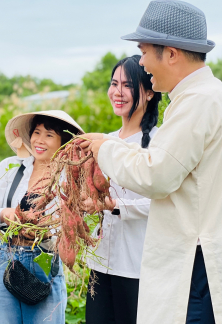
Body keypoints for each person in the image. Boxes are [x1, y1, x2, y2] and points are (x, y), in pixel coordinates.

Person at [81, 1, 222, 322]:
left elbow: (157, 175)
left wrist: (105, 149)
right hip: (193, 260)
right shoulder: (203, 96)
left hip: (194, 264)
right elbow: (165, 162)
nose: (142, 62)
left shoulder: (198, 101)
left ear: (171, 53)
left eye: (144, 52)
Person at [0, 110, 83, 324]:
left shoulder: (69, 178)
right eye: (36, 132)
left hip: (43, 259)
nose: (39, 140)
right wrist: (7, 214)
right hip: (5, 256)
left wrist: (46, 230)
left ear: (63, 142)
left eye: (49, 135)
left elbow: (70, 227)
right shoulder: (10, 167)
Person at [84, 55, 161, 324]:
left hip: (138, 266)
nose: (117, 92)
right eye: (114, 83)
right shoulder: (104, 141)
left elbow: (163, 204)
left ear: (150, 92)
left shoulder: (159, 143)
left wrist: (114, 205)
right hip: (101, 263)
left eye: (128, 85)